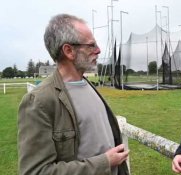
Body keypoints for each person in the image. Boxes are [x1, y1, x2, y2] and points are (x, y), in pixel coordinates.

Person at [18, 14, 129, 175]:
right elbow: (36, 171)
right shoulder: (39, 101)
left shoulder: (87, 84)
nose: (98, 50)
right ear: (69, 51)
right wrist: (104, 163)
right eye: (91, 45)